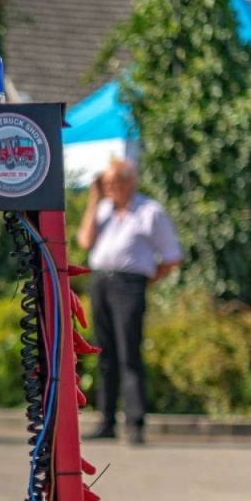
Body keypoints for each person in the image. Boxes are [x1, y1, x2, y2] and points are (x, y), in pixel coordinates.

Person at [76, 159, 182, 446]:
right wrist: (93, 200)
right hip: (100, 280)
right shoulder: (102, 210)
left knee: (128, 353)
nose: (110, 188)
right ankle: (106, 420)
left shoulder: (150, 212)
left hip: (130, 283)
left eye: (115, 182)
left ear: (130, 181)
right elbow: (85, 242)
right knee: (104, 352)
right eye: (106, 183)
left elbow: (172, 257)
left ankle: (134, 422)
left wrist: (146, 279)